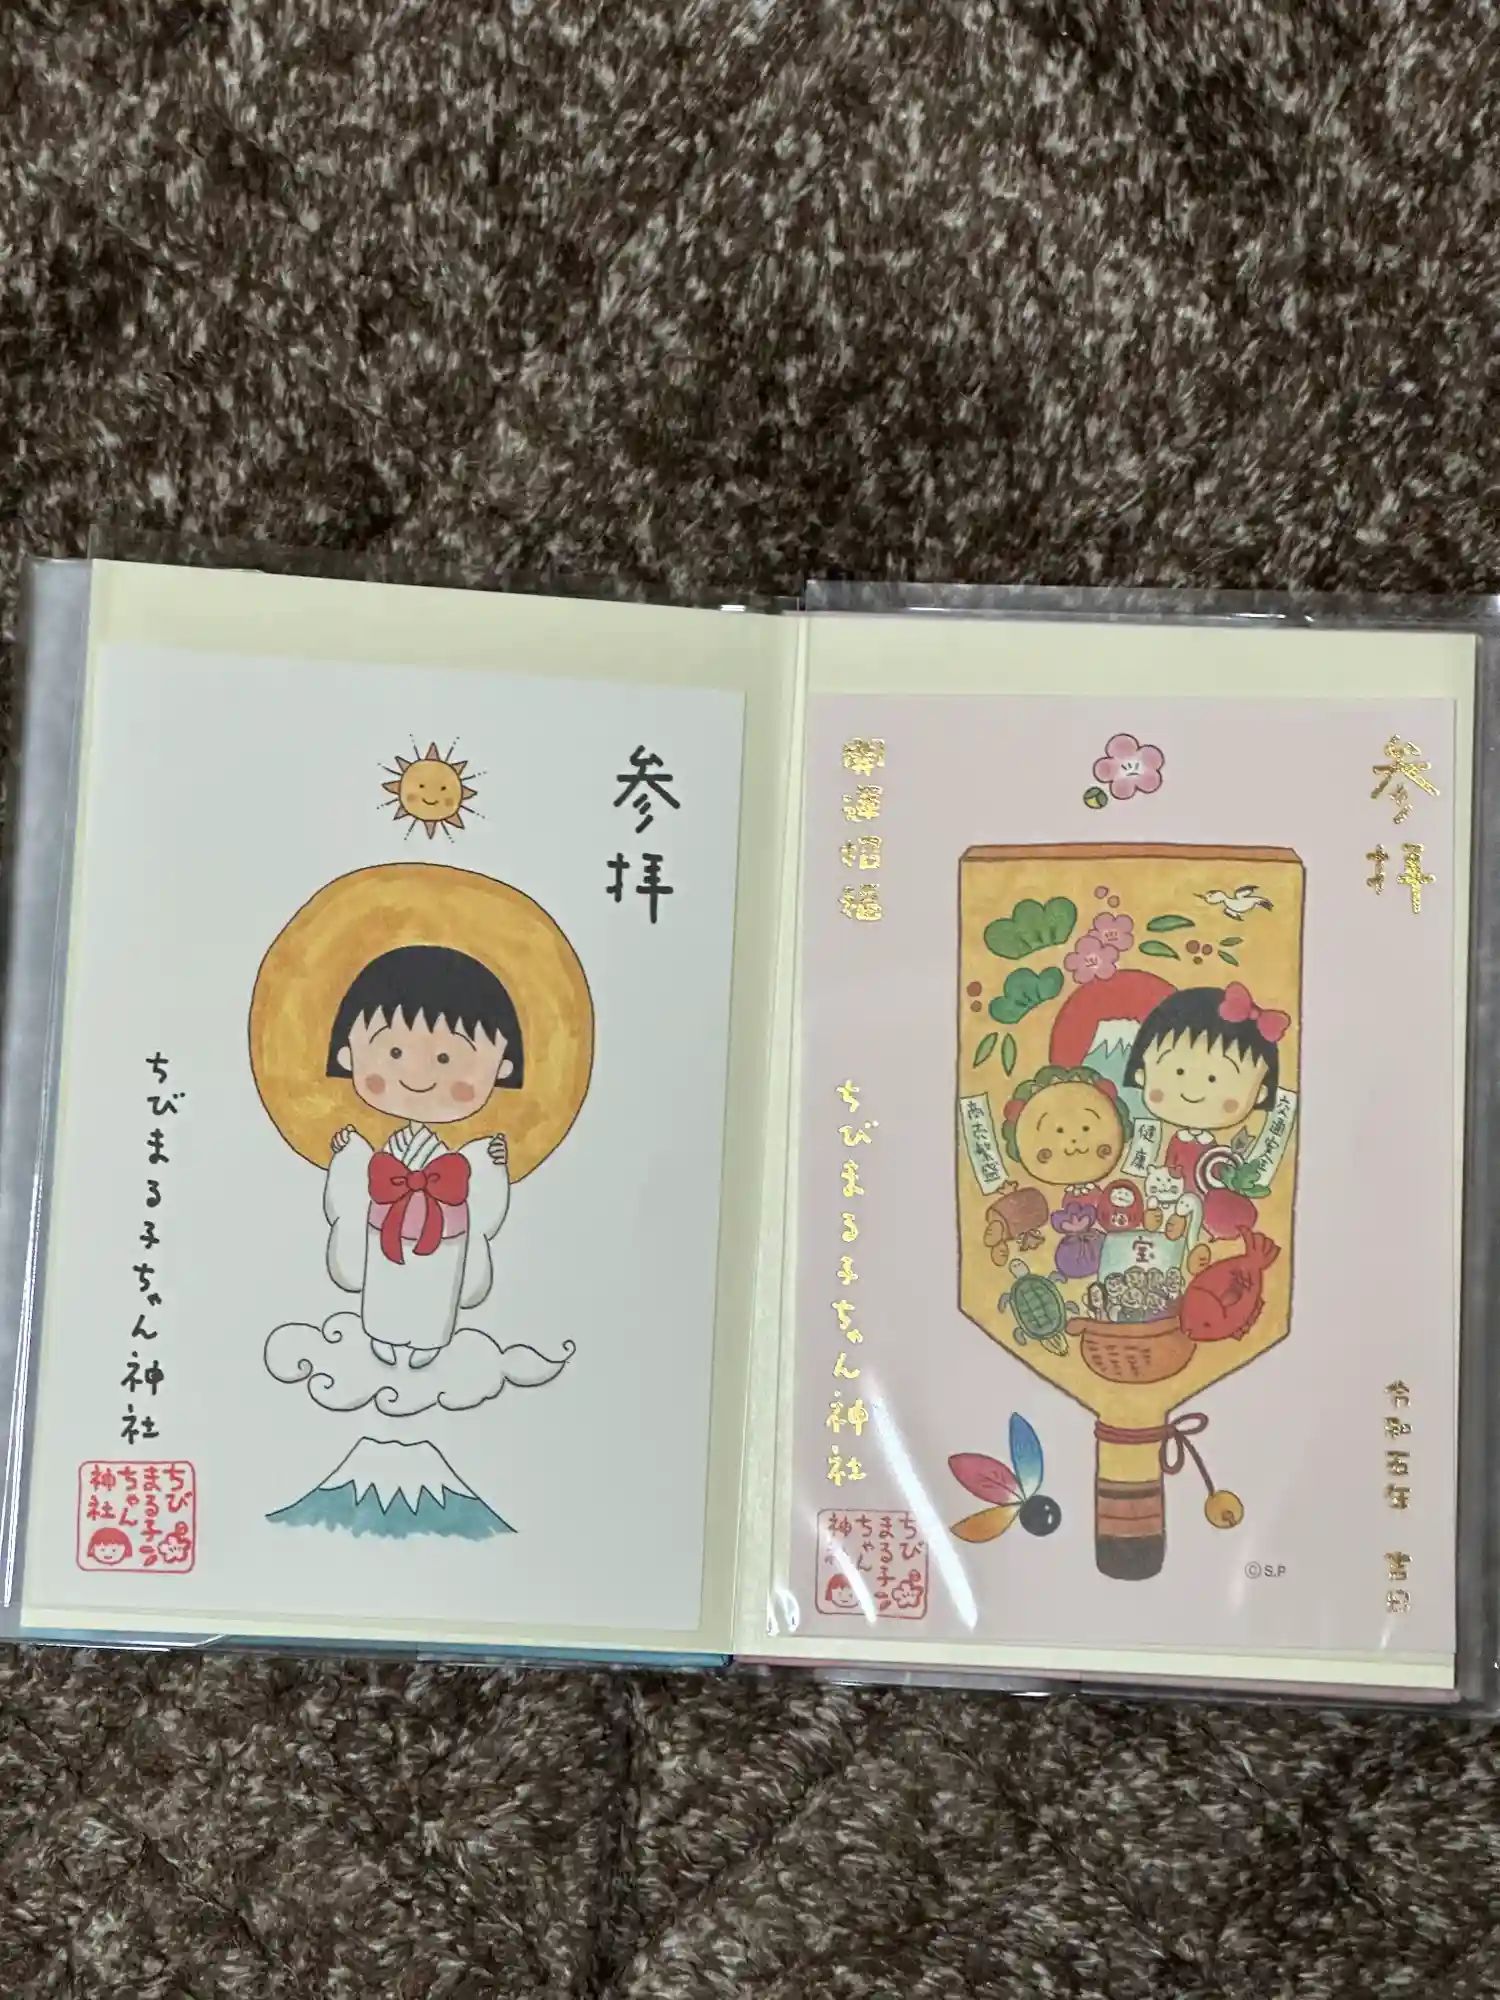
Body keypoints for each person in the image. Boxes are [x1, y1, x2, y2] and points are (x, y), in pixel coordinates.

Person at [322, 944, 521, 1367]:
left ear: (502, 1068)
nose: (417, 1075)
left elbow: (480, 1192)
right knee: (387, 1284)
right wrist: (349, 1156)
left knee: (434, 1288)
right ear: (347, 1055)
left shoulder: (459, 1160)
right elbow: (357, 1187)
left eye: (446, 1057)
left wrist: (492, 1164)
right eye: (394, 1052)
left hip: (445, 1235)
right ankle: (383, 1333)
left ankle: (429, 1340)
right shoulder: (387, 1154)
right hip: (385, 1229)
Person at [1123, 981, 1288, 1240]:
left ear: (1260, 1093)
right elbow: (1169, 1167)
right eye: (1178, 1071)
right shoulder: (1176, 1140)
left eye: (1214, 1078)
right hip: (1171, 1199)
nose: (1193, 1090)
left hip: (1208, 1207)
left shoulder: (1215, 1149)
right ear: (1141, 1074)